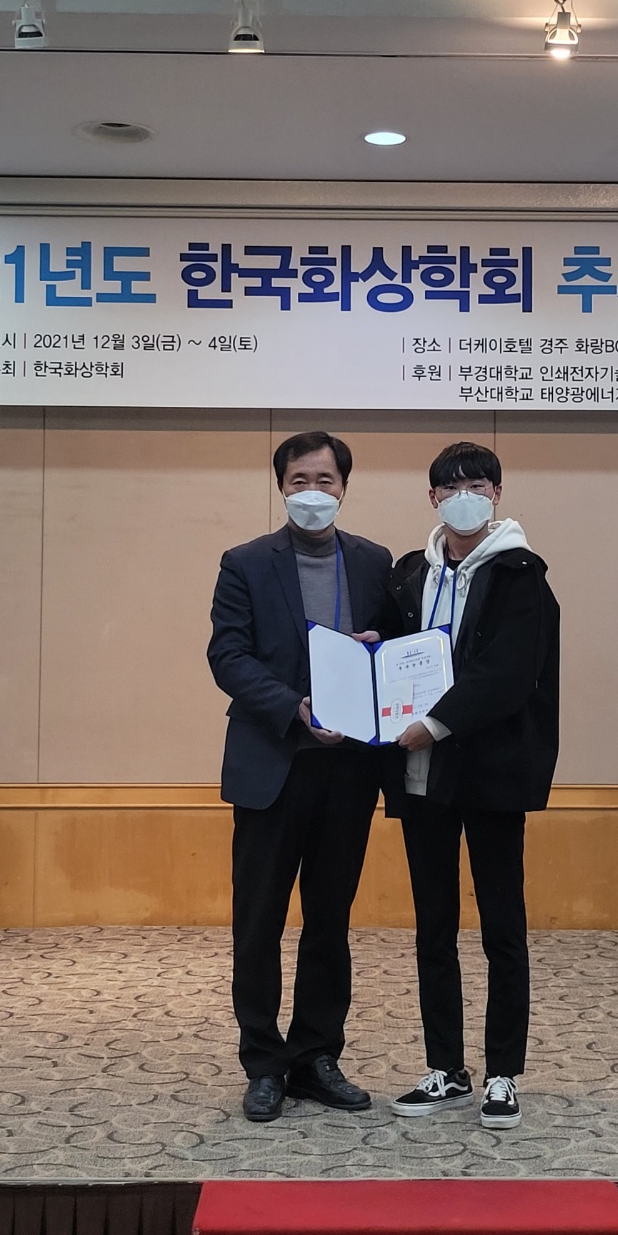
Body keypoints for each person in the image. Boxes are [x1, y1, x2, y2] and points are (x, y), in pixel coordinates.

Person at [207, 431, 392, 1124]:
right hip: (273, 765)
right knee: (257, 924)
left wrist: (380, 649)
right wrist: (294, 708)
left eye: (325, 479)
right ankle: (263, 1062)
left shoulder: (374, 561)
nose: (313, 491)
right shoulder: (246, 563)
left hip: (348, 772)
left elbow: (394, 649)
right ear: (281, 487)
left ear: (344, 487)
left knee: (329, 922)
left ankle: (316, 1056)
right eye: (298, 480)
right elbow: (228, 655)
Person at [380, 441, 559, 1130]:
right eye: (451, 487)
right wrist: (370, 651)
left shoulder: (521, 575)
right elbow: (392, 652)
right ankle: (446, 1068)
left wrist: (434, 723)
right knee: (433, 926)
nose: (465, 497)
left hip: (490, 775)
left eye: (478, 486)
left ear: (497, 495)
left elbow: (507, 675)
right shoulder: (409, 573)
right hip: (422, 776)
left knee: (501, 926)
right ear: (432, 498)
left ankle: (503, 1074)